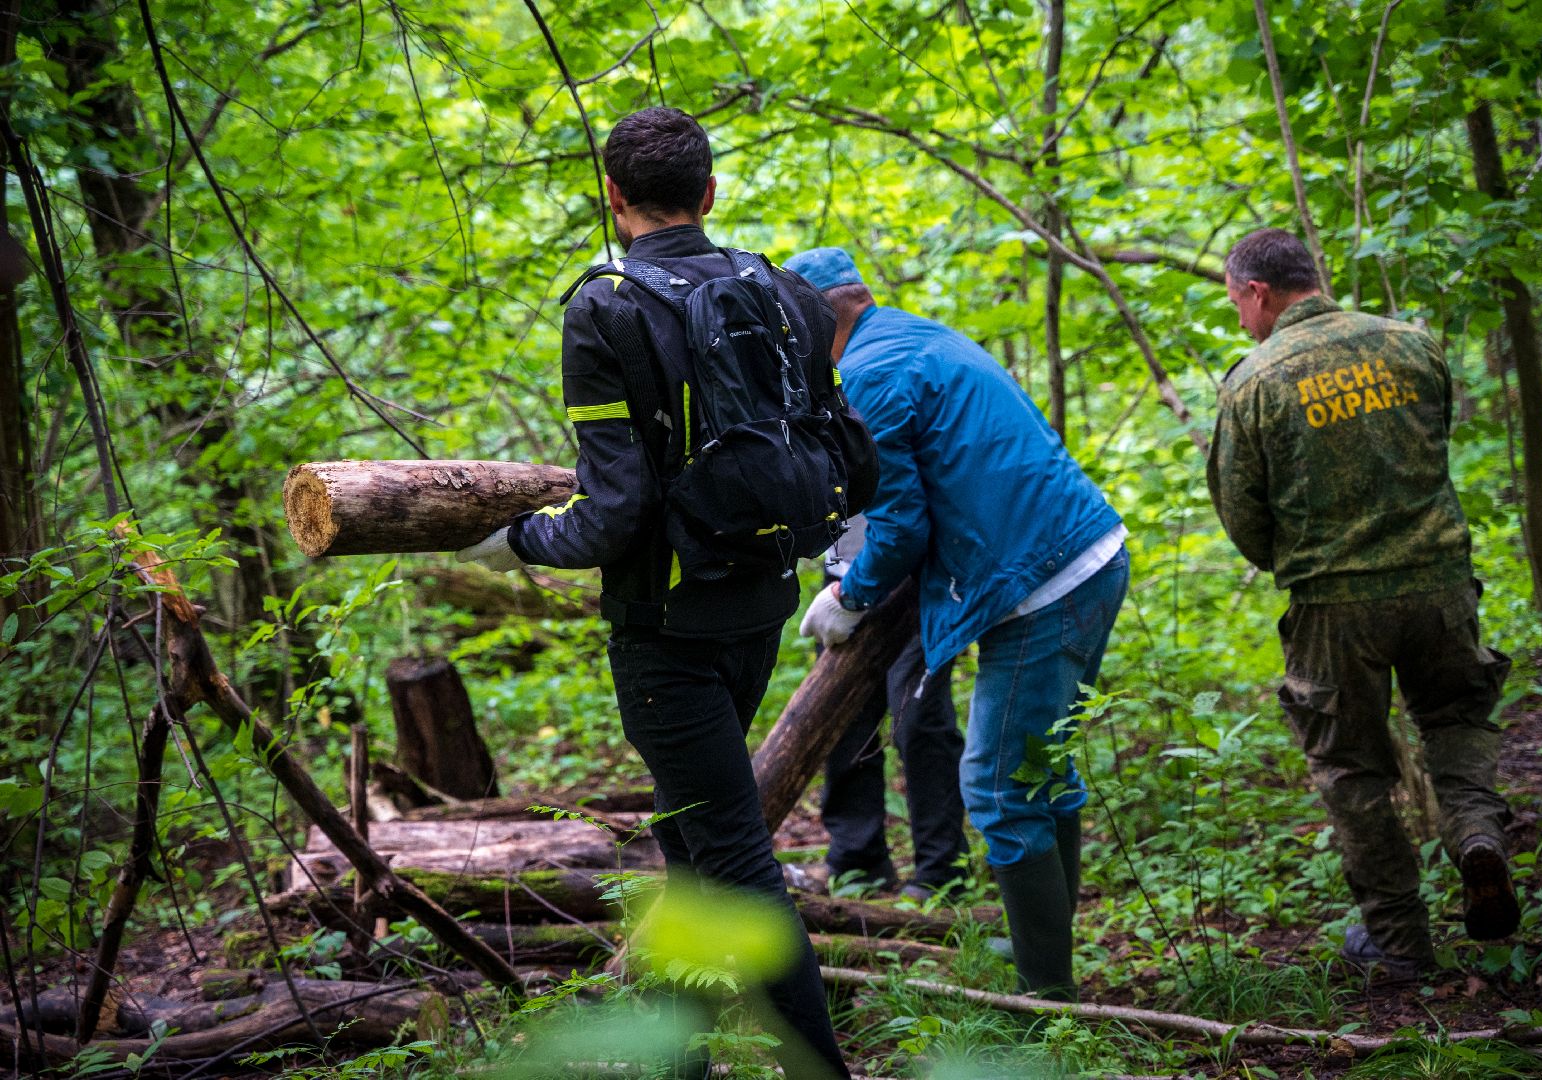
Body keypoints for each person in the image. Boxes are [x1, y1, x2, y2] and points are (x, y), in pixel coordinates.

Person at [459, 107, 851, 1078]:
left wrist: (514, 540)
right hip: (758, 604)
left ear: (613, 196)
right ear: (710, 194)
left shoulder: (606, 309)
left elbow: (613, 514)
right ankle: (682, 1063)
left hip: (663, 630)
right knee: (691, 840)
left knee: (735, 858)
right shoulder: (785, 290)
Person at [787, 246, 1128, 1000]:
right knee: (1043, 769)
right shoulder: (915, 335)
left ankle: (1047, 992)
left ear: (820, 315)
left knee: (997, 785)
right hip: (1088, 554)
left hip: (1041, 582)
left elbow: (901, 526)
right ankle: (1048, 948)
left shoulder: (871, 376)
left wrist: (848, 597)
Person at [1207, 227, 1521, 980]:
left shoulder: (1253, 380)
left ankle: (1401, 943)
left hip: (1333, 604)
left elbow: (1240, 510)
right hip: (1440, 584)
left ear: (1256, 291)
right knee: (1453, 722)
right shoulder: (1414, 345)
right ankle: (1476, 836)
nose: (1240, 321)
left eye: (1236, 304)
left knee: (1350, 770)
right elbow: (1433, 444)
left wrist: (1297, 559)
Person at [818, 515, 968, 901]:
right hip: (844, 574)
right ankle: (857, 859)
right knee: (845, 718)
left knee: (918, 720)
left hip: (923, 574)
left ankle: (941, 872)